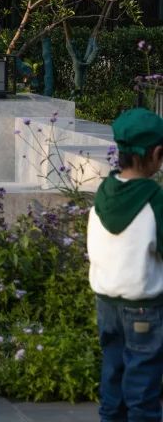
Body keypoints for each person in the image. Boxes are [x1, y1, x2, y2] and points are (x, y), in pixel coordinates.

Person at [88, 107, 163, 422]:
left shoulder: (104, 194)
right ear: (157, 154)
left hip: (106, 304)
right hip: (143, 306)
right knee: (143, 385)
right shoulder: (154, 201)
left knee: (114, 373)